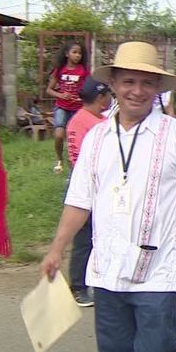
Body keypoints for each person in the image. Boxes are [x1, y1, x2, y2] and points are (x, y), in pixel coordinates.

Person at [39, 41, 176, 352]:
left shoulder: (175, 134)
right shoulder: (97, 137)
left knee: (157, 351)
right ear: (114, 84)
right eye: (129, 81)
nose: (137, 91)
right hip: (106, 270)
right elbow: (79, 200)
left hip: (156, 271)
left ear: (157, 89)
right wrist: (57, 248)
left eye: (146, 83)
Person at [65, 78, 113, 306]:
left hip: (105, 187)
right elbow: (77, 159)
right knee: (84, 239)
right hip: (88, 187)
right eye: (108, 94)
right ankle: (78, 287)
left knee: (100, 236)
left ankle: (97, 281)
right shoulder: (81, 122)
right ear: (101, 97)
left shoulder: (101, 120)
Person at [46, 41, 89, 174]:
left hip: (77, 109)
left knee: (75, 138)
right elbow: (49, 90)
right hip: (62, 107)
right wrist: (61, 95)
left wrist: (82, 97)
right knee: (59, 135)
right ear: (66, 54)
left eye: (80, 53)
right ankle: (59, 160)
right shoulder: (59, 71)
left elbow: (88, 91)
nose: (78, 55)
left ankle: (76, 164)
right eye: (74, 52)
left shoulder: (83, 72)